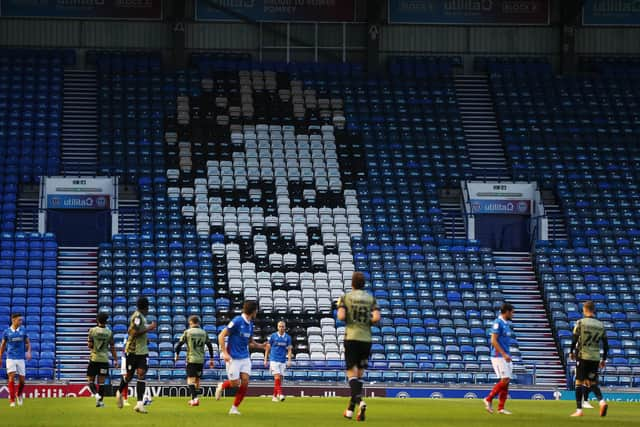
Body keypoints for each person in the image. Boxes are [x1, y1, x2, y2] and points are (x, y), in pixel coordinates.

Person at [336, 271, 380, 421]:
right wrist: (365, 321)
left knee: (351, 373)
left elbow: (341, 316)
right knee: (359, 374)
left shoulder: (346, 297)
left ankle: (360, 402)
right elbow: (376, 318)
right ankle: (350, 409)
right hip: (366, 339)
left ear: (352, 283)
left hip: (352, 337)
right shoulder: (371, 298)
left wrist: (351, 318)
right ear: (364, 284)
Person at [215, 301, 267, 415]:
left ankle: (234, 408)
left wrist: (261, 346)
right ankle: (222, 385)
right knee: (234, 383)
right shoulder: (237, 321)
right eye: (256, 310)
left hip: (245, 357)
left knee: (245, 381)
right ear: (253, 311)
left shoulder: (250, 324)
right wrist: (225, 353)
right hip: (233, 357)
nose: (257, 312)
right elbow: (221, 336)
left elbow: (250, 342)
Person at [116, 296, 156, 413]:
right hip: (133, 351)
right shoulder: (137, 316)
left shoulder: (141, 317)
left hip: (142, 352)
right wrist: (150, 328)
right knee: (128, 376)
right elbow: (133, 333)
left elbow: (137, 333)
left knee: (141, 374)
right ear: (146, 307)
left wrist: (145, 340)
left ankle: (139, 404)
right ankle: (119, 392)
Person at [569, 300, 609, 417]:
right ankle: (602, 402)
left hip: (583, 356)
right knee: (591, 382)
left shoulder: (580, 322)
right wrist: (604, 359)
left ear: (584, 310)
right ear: (593, 310)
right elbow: (606, 345)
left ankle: (579, 410)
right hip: (595, 357)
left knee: (579, 382)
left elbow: (575, 339)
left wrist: (571, 352)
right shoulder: (601, 325)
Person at [174, 315, 215, 406]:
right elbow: (210, 346)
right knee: (197, 379)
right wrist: (212, 359)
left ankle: (195, 399)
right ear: (198, 323)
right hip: (201, 360)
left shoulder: (187, 332)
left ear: (191, 322)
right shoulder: (204, 333)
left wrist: (177, 355)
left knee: (190, 380)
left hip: (191, 359)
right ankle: (194, 399)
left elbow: (179, 345)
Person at [483, 303, 515, 415]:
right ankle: (488, 398)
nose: (513, 314)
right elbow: (493, 340)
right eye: (512, 312)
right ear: (507, 311)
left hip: (505, 355)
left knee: (506, 381)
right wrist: (503, 354)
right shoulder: (498, 323)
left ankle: (501, 408)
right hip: (498, 356)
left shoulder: (506, 324)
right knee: (505, 379)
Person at [86, 312, 118, 407]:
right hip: (104, 360)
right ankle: (100, 402)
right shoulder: (109, 332)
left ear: (97, 320)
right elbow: (112, 347)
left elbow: (90, 345)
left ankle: (96, 395)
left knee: (90, 381)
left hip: (94, 359)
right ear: (106, 321)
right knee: (102, 383)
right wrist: (116, 360)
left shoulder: (92, 331)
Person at [0, 314, 31, 407]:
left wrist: (28, 352)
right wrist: (0, 356)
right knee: (11, 377)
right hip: (10, 358)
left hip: (21, 358)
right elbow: (3, 345)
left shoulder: (23, 330)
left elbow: (28, 342)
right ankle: (12, 400)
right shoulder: (6, 332)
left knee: (22, 381)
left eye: (21, 320)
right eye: (19, 320)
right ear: (13, 320)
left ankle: (19, 394)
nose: (21, 322)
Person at [263, 320, 293, 402]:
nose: (281, 328)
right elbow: (268, 348)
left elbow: (289, 350)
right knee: (277, 377)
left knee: (281, 379)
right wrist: (265, 359)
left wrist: (289, 360)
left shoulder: (288, 337)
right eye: (279, 326)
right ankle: (280, 394)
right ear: (277, 327)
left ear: (285, 327)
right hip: (274, 359)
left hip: (282, 360)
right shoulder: (273, 336)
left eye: (282, 326)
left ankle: (274, 396)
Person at [118, 336, 130, 406]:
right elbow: (125, 349)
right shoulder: (127, 336)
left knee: (126, 379)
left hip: (129, 358)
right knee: (125, 378)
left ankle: (124, 398)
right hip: (125, 359)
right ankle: (124, 399)